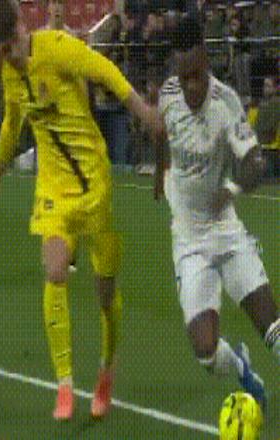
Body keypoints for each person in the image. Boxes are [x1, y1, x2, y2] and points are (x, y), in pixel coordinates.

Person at [0, 0, 163, 421]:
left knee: (105, 293)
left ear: (21, 30)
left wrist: (143, 112)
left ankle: (106, 368)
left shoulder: (57, 49)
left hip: (94, 183)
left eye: (9, 49)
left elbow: (104, 71)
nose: (9, 59)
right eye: (2, 53)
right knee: (56, 270)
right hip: (53, 187)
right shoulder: (9, 72)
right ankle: (64, 384)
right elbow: (12, 123)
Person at [154, 17, 279, 411]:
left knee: (273, 329)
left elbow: (255, 162)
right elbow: (161, 132)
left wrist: (232, 189)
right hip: (189, 241)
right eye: (184, 77)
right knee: (206, 353)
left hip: (225, 232)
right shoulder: (168, 94)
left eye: (196, 76)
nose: (190, 86)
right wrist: (160, 173)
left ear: (206, 60)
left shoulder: (226, 102)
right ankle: (242, 368)